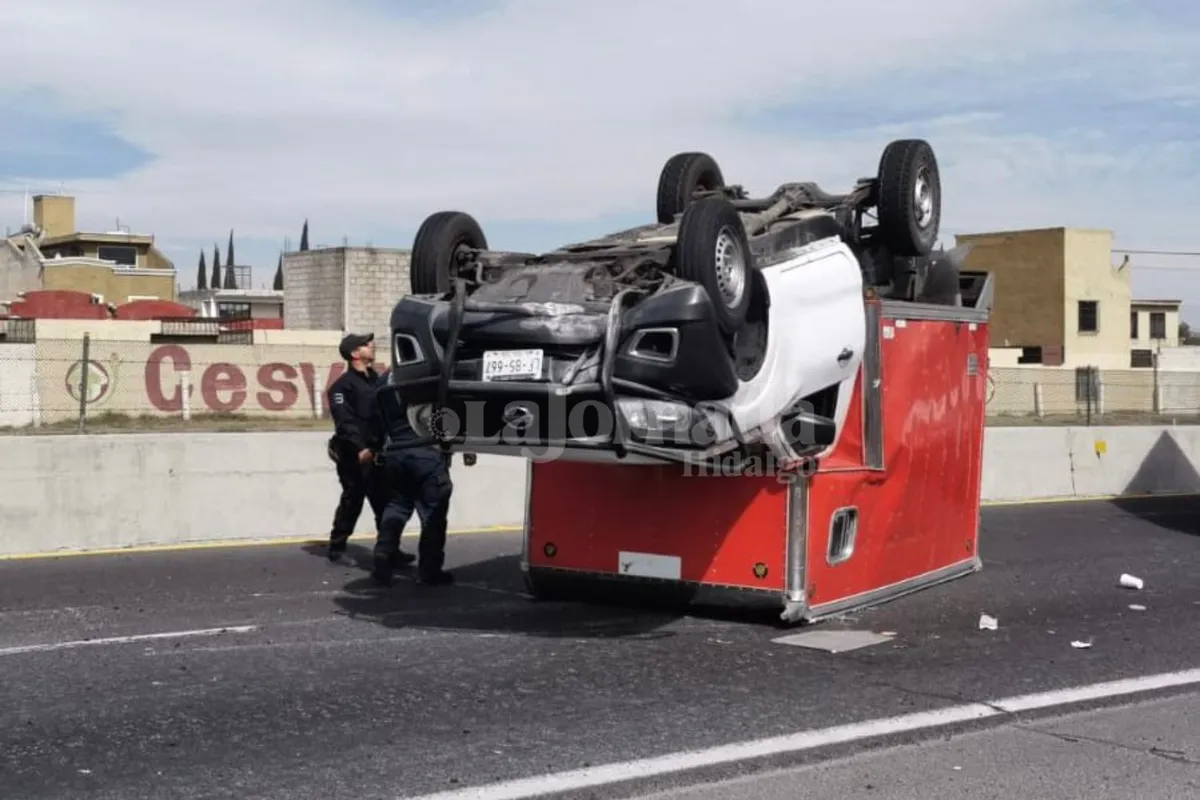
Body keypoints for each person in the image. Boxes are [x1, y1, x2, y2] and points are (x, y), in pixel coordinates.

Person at [324, 332, 414, 568]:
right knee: (352, 500)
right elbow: (345, 422)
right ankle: (337, 547)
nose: (371, 346)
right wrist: (360, 448)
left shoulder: (378, 381)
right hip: (353, 454)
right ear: (354, 353)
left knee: (385, 503)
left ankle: (388, 549)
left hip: (379, 452)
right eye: (365, 344)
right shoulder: (341, 387)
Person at [367, 367, 455, 588]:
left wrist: (378, 447)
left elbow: (375, 420)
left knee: (396, 506)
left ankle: (383, 553)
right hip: (426, 452)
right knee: (433, 515)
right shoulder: (426, 373)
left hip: (396, 452)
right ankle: (430, 571)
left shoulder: (384, 379)